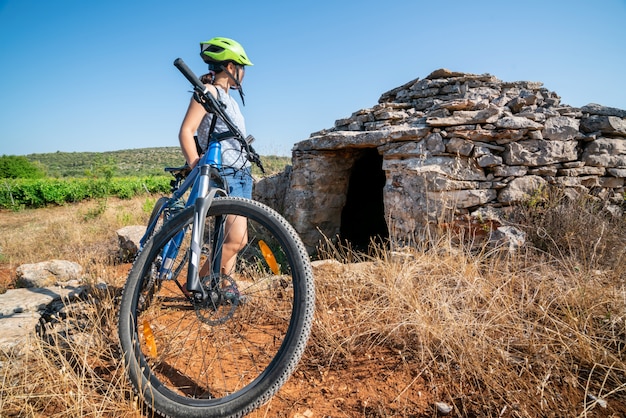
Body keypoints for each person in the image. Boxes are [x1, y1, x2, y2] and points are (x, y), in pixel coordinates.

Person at [178, 37, 254, 276]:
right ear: (231, 67)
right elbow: (186, 131)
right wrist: (194, 163)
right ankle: (199, 281)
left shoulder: (230, 100)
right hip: (224, 173)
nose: (244, 74)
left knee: (228, 238)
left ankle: (226, 288)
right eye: (242, 68)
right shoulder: (209, 92)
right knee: (237, 239)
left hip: (241, 174)